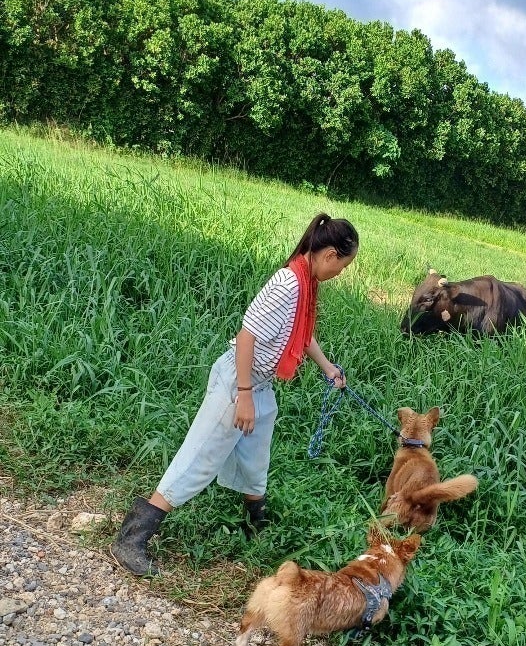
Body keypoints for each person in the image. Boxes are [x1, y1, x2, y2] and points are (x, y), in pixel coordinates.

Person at [111, 213, 359, 579]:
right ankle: (132, 538)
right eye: (343, 266)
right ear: (330, 255)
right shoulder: (289, 284)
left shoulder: (306, 284)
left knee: (255, 461)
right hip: (238, 382)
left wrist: (328, 368)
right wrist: (243, 395)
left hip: (260, 385)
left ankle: (256, 525)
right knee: (199, 459)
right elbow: (247, 337)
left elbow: (301, 333)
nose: (340, 273)